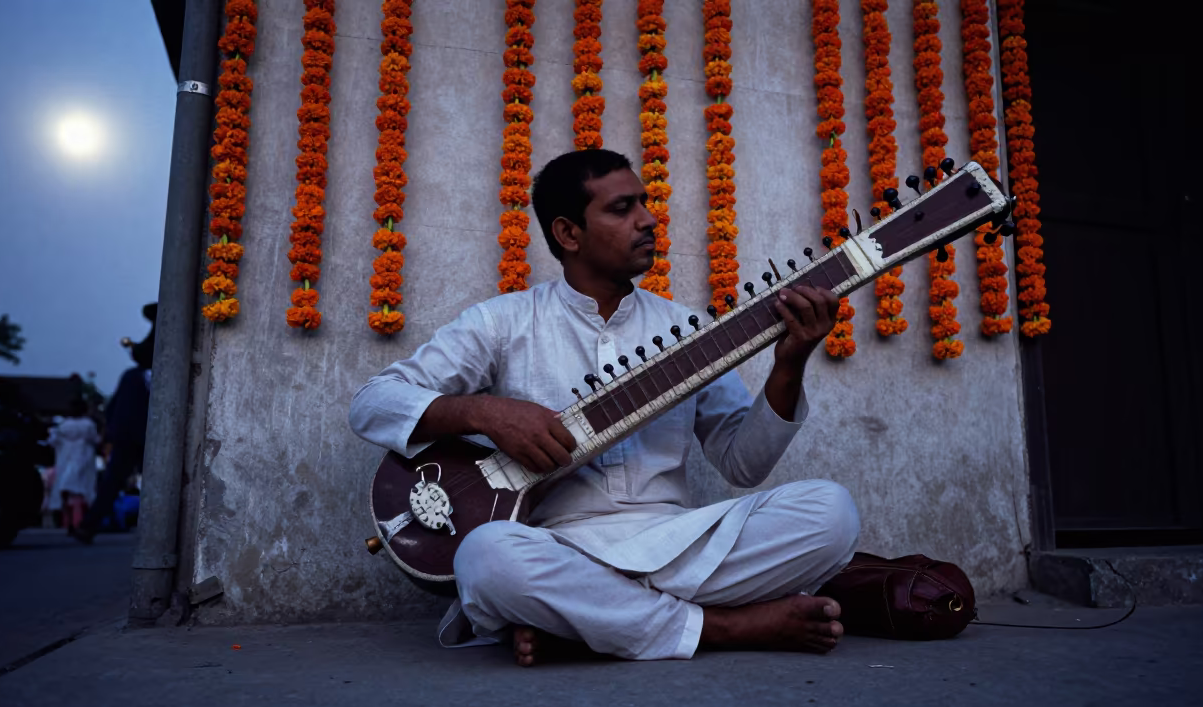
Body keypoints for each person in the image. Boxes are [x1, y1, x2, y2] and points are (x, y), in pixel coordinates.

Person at [349, 149, 858, 666]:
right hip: (562, 549)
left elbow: (743, 464)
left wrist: (790, 363)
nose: (647, 219)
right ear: (569, 234)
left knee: (832, 514)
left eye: (644, 202)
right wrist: (487, 415)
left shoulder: (691, 335)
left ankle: (586, 623)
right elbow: (373, 403)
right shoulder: (503, 323)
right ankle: (724, 627)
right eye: (622, 209)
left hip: (677, 542)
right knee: (487, 557)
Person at [75, 304, 154, 542]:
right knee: (142, 483)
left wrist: (110, 432)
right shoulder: (143, 377)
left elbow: (112, 408)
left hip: (128, 436)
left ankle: (89, 526)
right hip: (142, 437)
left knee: (113, 481)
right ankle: (90, 525)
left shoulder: (131, 377)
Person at [48, 400, 99, 533]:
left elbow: (53, 441)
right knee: (83, 490)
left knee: (65, 489)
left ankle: (68, 520)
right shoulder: (88, 425)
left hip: (65, 458)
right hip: (83, 458)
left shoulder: (63, 425)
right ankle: (81, 522)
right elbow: (95, 439)